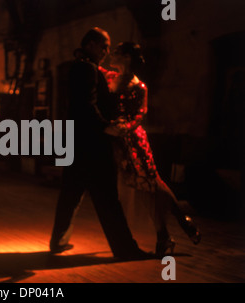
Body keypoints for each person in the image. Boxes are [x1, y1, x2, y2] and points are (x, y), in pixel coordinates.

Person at [49, 28, 149, 260]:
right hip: (93, 144)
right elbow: (87, 104)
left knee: (71, 194)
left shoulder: (81, 65)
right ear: (91, 44)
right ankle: (126, 249)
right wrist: (106, 125)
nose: (106, 51)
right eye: (104, 46)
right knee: (107, 199)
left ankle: (58, 241)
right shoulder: (87, 68)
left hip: (77, 142)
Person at [104, 42, 201, 257]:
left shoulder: (139, 86)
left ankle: (170, 231)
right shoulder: (111, 77)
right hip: (118, 142)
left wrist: (122, 129)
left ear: (128, 57)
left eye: (117, 52)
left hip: (133, 142)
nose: (111, 54)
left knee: (152, 184)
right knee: (146, 188)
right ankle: (170, 231)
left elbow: (140, 115)